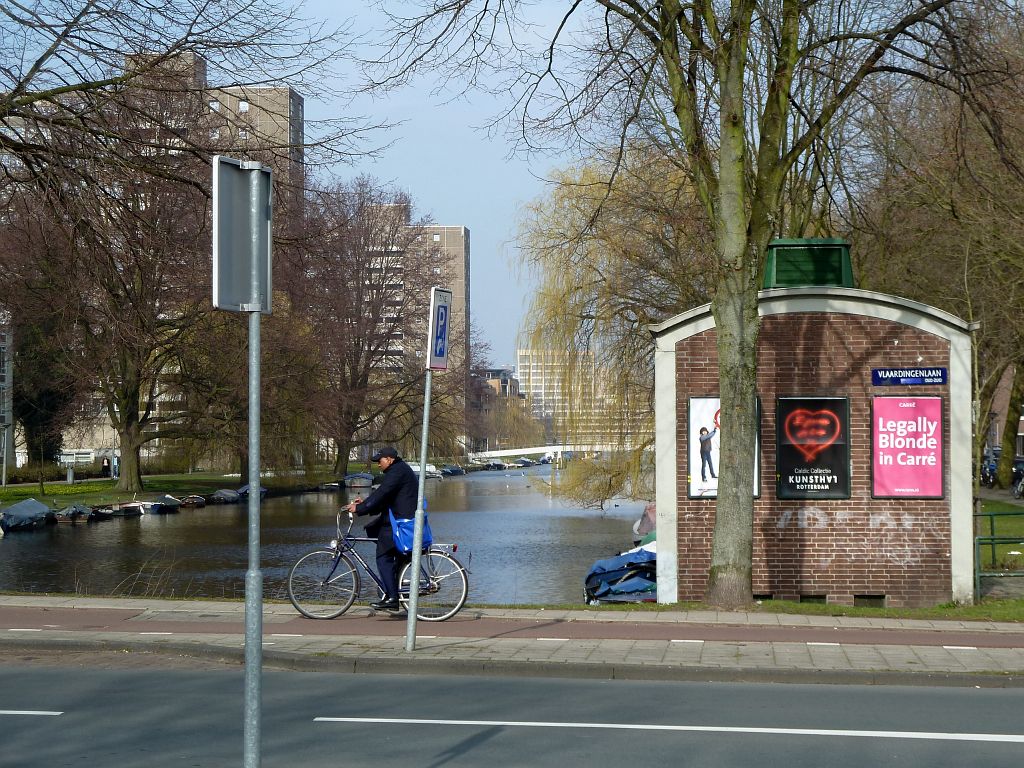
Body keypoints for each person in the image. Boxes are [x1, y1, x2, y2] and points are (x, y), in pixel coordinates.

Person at [343, 447, 418, 613]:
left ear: (389, 460)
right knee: (393, 557)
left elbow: (382, 494)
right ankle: (391, 590)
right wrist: (364, 504)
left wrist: (359, 508)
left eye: (380, 461)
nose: (378, 464)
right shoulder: (398, 470)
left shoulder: (396, 473)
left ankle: (392, 598)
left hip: (399, 522)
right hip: (399, 518)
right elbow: (384, 497)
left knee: (383, 557)